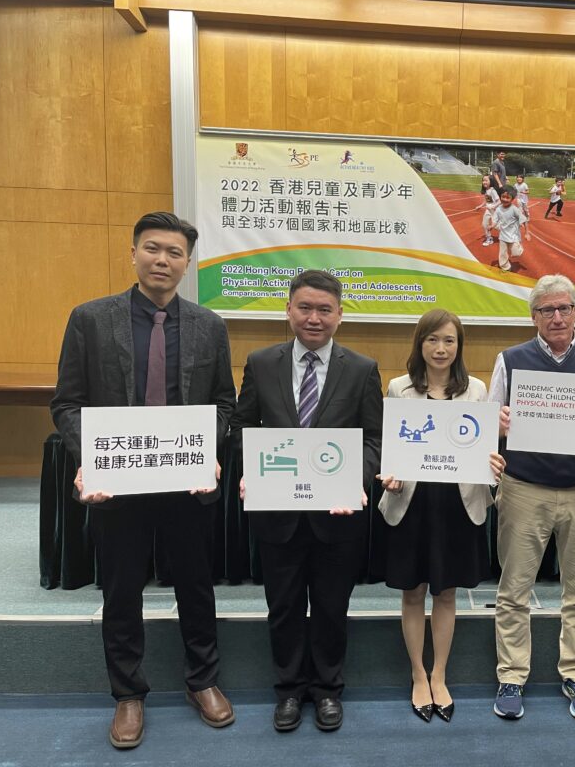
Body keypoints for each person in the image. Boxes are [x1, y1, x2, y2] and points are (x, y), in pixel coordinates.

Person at [51, 211, 237, 749]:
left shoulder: (209, 325)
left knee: (197, 588)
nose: (163, 260)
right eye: (152, 249)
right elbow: (66, 404)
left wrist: (210, 450)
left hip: (187, 483)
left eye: (175, 252)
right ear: (132, 253)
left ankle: (203, 681)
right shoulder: (90, 319)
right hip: (119, 482)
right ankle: (128, 694)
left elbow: (224, 404)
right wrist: (90, 457)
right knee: (122, 589)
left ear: (187, 262)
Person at [232, 269, 382, 734]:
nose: (313, 318)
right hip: (278, 513)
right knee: (284, 608)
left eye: (324, 310)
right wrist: (249, 473)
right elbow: (240, 429)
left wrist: (354, 482)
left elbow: (374, 441)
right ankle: (290, 691)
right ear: (289, 310)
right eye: (305, 307)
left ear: (340, 315)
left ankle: (327, 691)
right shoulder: (261, 363)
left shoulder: (362, 369)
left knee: (332, 607)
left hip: (338, 517)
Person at [488, 274, 575, 722]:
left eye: (565, 308)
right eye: (547, 310)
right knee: (514, 591)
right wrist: (499, 425)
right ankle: (511, 675)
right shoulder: (510, 360)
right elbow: (487, 424)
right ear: (534, 316)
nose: (557, 317)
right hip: (525, 489)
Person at [376, 309, 505, 723]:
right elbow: (389, 449)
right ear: (420, 344)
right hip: (411, 503)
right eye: (432, 339)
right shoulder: (398, 389)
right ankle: (417, 674)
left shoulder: (476, 391)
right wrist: (389, 474)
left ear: (459, 346)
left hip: (457, 504)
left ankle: (439, 675)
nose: (441, 348)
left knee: (446, 592)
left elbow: (482, 449)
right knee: (412, 591)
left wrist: (493, 464)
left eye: (449, 340)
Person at [493, 188, 528, 272]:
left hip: (513, 236)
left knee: (516, 253)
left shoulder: (514, 209)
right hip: (503, 235)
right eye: (503, 197)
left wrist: (527, 233)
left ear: (512, 199)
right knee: (502, 253)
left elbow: (524, 220)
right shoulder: (498, 209)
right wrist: (492, 225)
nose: (505, 199)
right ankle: (506, 267)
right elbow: (495, 220)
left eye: (507, 197)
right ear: (500, 196)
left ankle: (519, 249)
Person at [476, 174, 501, 246]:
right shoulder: (486, 190)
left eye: (486, 180)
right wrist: (480, 206)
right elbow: (487, 201)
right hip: (488, 210)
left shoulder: (493, 191)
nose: (484, 182)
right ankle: (489, 238)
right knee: (484, 224)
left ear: (491, 181)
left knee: (496, 226)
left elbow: (499, 201)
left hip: (494, 211)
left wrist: (493, 206)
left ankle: (507, 233)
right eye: (483, 180)